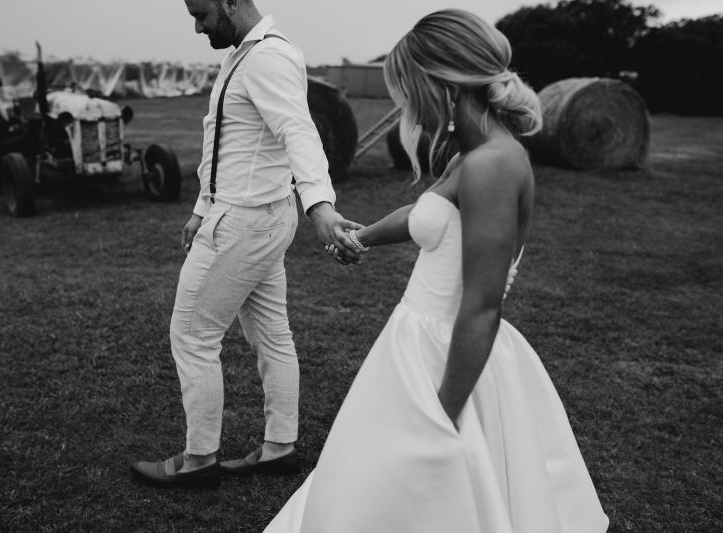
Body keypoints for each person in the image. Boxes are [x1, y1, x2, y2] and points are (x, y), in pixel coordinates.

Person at [264, 9, 609, 532]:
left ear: (444, 82)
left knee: (422, 485)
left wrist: (441, 419)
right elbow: (424, 214)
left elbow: (483, 304)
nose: (407, 107)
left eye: (410, 89)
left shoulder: (494, 164)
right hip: (410, 343)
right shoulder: (469, 153)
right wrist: (360, 236)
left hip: (447, 354)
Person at [131, 0, 361, 489]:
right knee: (271, 333)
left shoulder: (268, 57)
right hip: (252, 214)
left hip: (246, 221)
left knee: (192, 334)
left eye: (202, 14)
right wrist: (200, 209)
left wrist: (320, 206)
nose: (197, 27)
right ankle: (279, 448)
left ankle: (199, 460)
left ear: (232, 2)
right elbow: (226, 145)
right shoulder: (242, 54)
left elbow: (297, 131)